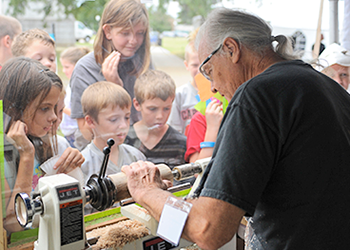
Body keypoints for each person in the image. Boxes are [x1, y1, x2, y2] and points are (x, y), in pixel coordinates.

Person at [121, 8, 350, 250]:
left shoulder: (256, 94)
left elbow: (209, 231)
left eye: (208, 71)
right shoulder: (325, 86)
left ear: (231, 49)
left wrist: (146, 192)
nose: (213, 88)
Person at [0, 57, 84, 233]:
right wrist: (26, 155)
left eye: (55, 108)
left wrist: (71, 170)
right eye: (45, 108)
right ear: (16, 109)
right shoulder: (6, 155)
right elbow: (14, 224)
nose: (54, 117)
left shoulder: (52, 144)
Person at [70, 0, 151, 148]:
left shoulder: (143, 65)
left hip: (134, 149)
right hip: (98, 155)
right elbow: (85, 131)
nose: (133, 41)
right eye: (125, 33)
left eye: (140, 33)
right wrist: (114, 89)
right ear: (108, 31)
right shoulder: (85, 69)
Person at [80, 81, 145, 184]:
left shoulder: (136, 156)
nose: (123, 125)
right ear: (91, 121)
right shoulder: (83, 164)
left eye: (127, 117)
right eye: (114, 119)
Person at [168, 29, 200, 134]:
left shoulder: (218, 93)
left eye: (203, 64)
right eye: (195, 65)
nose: (200, 70)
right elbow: (175, 130)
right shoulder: (179, 95)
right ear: (186, 65)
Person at [59, 46, 91, 148]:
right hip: (68, 133)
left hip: (76, 132)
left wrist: (60, 108)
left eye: (67, 67)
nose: (64, 71)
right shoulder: (71, 83)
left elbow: (76, 112)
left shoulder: (80, 85)